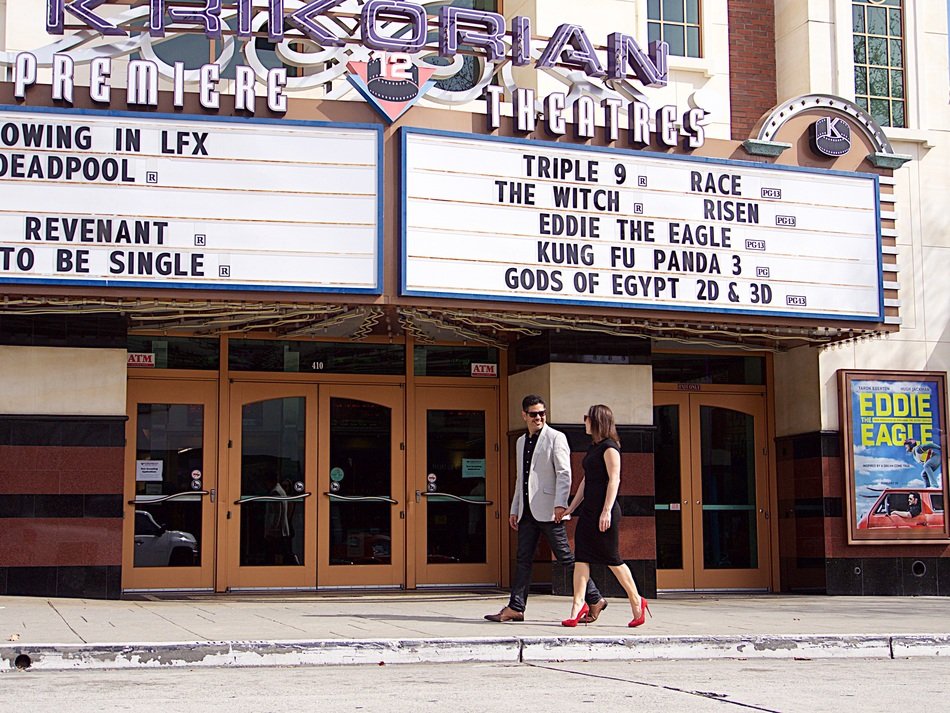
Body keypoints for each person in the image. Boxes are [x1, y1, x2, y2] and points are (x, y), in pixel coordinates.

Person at [485, 395, 607, 623]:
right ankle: (516, 607)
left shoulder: (556, 438)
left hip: (551, 510)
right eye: (533, 414)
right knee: (522, 559)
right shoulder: (521, 441)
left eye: (542, 413)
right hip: (527, 511)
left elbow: (564, 473)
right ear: (524, 415)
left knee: (566, 558)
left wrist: (561, 504)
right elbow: (521, 479)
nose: (539, 417)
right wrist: (515, 508)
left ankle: (595, 598)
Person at [561, 404, 650, 628]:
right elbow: (585, 480)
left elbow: (615, 479)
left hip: (605, 511)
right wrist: (571, 508)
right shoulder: (594, 448)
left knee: (613, 559)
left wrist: (607, 510)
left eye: (586, 418)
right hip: (589, 511)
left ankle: (637, 601)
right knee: (581, 557)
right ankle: (577, 606)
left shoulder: (610, 447)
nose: (584, 422)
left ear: (597, 421)